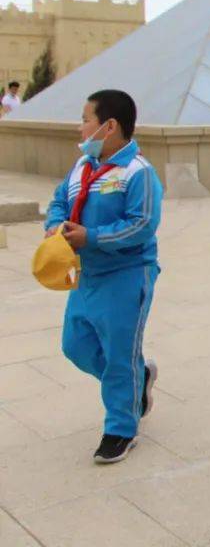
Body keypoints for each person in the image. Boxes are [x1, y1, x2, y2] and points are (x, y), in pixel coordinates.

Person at [45, 89, 163, 464]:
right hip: (88, 274)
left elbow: (142, 225)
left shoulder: (138, 173)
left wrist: (92, 237)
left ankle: (121, 428)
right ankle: (136, 381)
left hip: (127, 274)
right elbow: (59, 200)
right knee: (75, 345)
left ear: (109, 126)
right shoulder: (82, 167)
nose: (80, 128)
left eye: (85, 120)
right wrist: (54, 225)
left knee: (118, 353)